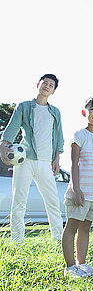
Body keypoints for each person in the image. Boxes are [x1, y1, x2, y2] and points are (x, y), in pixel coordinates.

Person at [0, 74, 64, 243]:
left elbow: (58, 136)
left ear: (53, 91)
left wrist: (57, 158)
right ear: (38, 84)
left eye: (51, 85)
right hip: (25, 160)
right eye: (45, 83)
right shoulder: (24, 106)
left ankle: (58, 240)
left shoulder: (55, 112)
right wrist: (3, 146)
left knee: (52, 202)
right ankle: (17, 242)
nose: (47, 86)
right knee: (19, 201)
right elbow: (13, 126)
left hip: (45, 163)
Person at [62, 96, 93, 278]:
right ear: (85, 112)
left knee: (85, 229)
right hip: (80, 192)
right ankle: (70, 267)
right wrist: (76, 189)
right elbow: (74, 163)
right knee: (72, 227)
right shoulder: (79, 135)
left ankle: (82, 264)